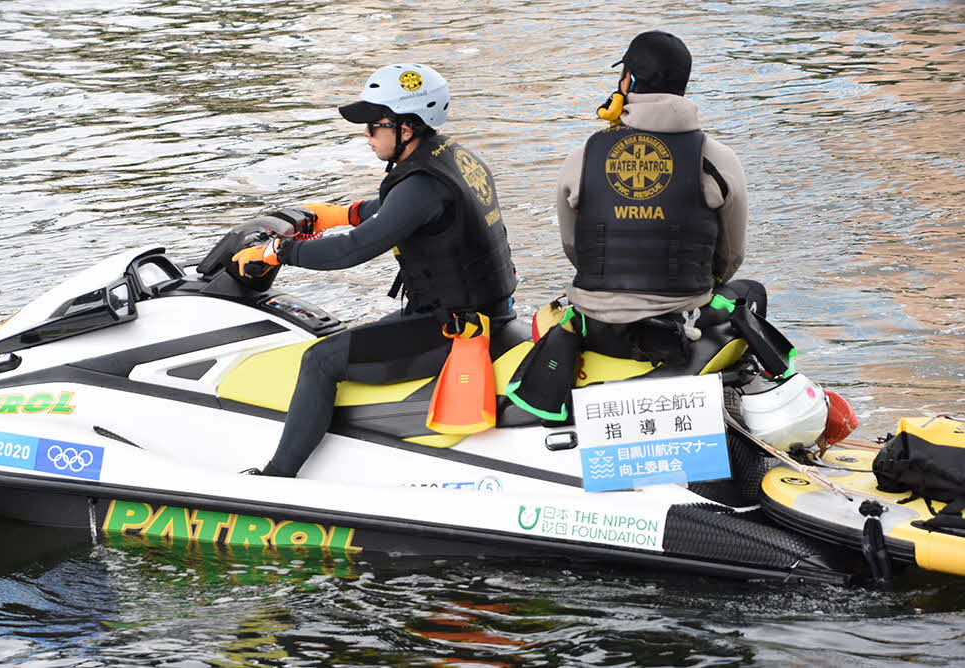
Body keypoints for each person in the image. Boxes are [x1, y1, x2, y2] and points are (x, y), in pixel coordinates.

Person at [232, 63, 517, 477]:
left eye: (373, 126)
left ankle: (278, 478)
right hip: (477, 311)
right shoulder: (449, 157)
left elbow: (354, 250)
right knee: (360, 341)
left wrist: (277, 252)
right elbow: (398, 211)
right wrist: (341, 213)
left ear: (406, 128)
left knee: (320, 360)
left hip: (454, 327)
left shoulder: (422, 185)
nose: (366, 136)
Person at [556, 30, 758, 362]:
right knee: (753, 294)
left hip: (597, 326)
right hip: (685, 319)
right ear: (684, 87)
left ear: (628, 81)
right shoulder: (717, 158)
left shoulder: (584, 156)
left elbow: (573, 245)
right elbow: (732, 255)